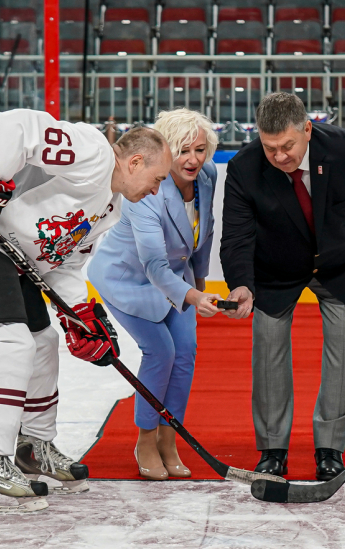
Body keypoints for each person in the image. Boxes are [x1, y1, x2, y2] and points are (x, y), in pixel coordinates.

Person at [0, 109, 172, 512]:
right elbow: (14, 124)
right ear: (136, 162)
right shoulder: (93, 152)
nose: (157, 190)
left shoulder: (111, 209)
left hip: (8, 252)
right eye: (158, 179)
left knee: (43, 340)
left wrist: (81, 314)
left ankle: (31, 447)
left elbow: (62, 263)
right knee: (12, 342)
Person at [220, 92, 345, 480]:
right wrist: (241, 285)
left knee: (342, 351)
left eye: (287, 146)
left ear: (307, 129)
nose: (280, 156)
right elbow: (236, 236)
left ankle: (329, 448)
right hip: (276, 268)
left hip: (342, 265)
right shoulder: (244, 167)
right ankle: (272, 450)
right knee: (268, 350)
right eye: (270, 148)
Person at [88, 108, 223, 480]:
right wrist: (193, 299)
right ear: (165, 151)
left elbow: (202, 236)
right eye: (182, 151)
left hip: (177, 280)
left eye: (199, 149)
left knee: (185, 355)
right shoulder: (146, 191)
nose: (193, 159)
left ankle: (170, 438)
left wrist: (199, 284)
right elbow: (153, 265)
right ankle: (145, 439)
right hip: (128, 281)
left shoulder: (207, 176)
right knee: (161, 352)